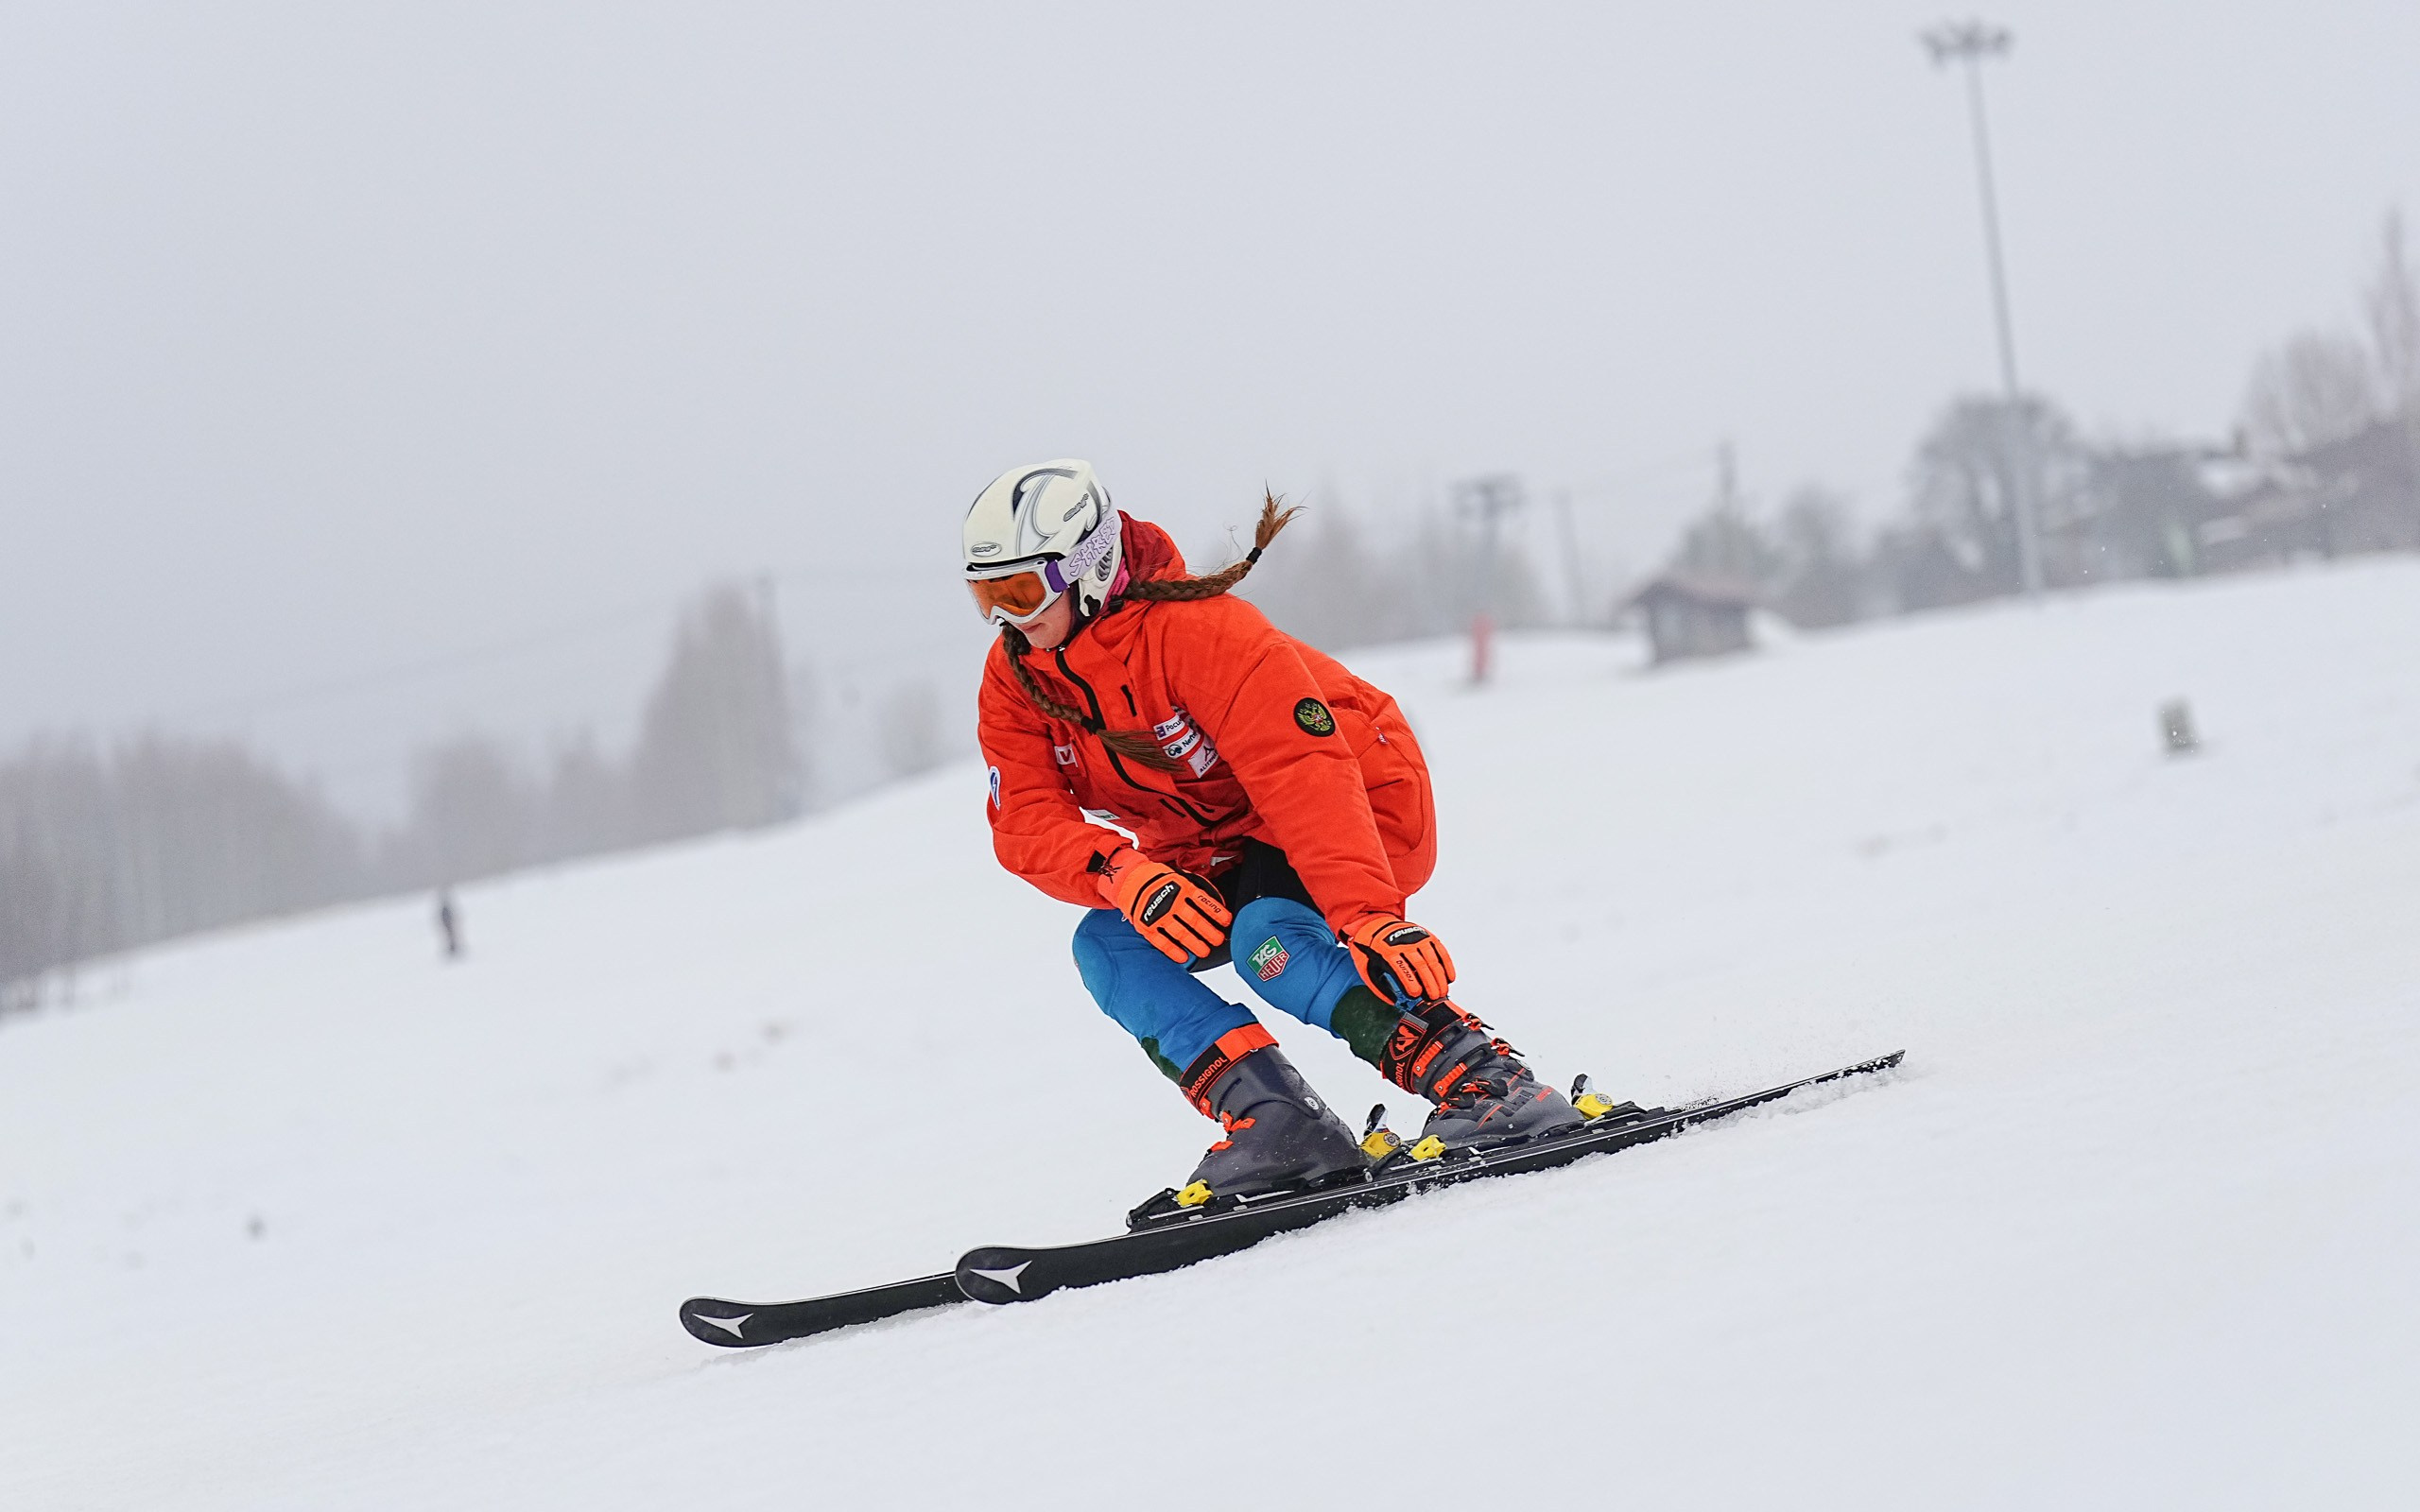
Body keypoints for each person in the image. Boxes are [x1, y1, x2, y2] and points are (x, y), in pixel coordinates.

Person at [966, 459, 1592, 1206]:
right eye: (986, 597)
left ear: (1086, 569)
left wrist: (1366, 913)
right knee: (1109, 946)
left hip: (1355, 795)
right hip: (1210, 842)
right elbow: (1025, 817)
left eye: (1021, 593)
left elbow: (1301, 769)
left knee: (1270, 943)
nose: (1008, 618)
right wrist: (1121, 872)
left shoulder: (1200, 634)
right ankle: (1280, 1123)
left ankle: (1493, 1085)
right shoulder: (1020, 679)